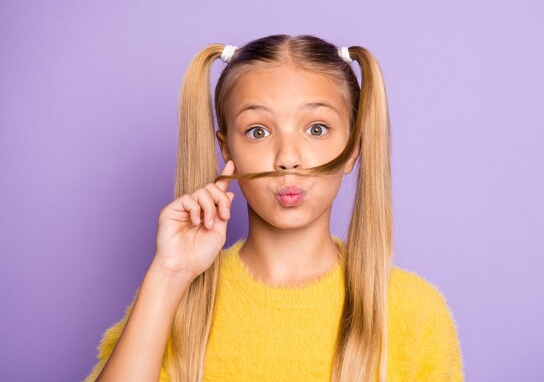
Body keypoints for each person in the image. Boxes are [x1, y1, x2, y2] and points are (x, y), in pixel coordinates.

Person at [83, 34, 464, 382]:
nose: (288, 158)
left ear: (354, 148)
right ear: (227, 148)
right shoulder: (173, 303)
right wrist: (169, 274)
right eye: (258, 131)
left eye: (316, 128)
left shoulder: (414, 311)